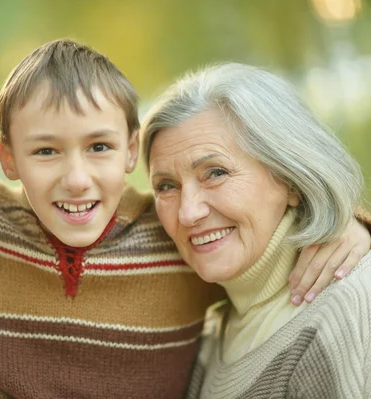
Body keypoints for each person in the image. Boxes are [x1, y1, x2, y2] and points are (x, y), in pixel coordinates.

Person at [0, 41, 369, 399]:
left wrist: (347, 222)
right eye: (46, 151)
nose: (76, 179)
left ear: (130, 151)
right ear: (8, 157)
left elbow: (260, 229)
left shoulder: (174, 242)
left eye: (100, 149)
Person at [141, 62, 371, 398]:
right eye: (166, 186)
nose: (188, 212)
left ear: (291, 179)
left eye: (215, 172)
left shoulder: (346, 313)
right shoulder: (210, 332)